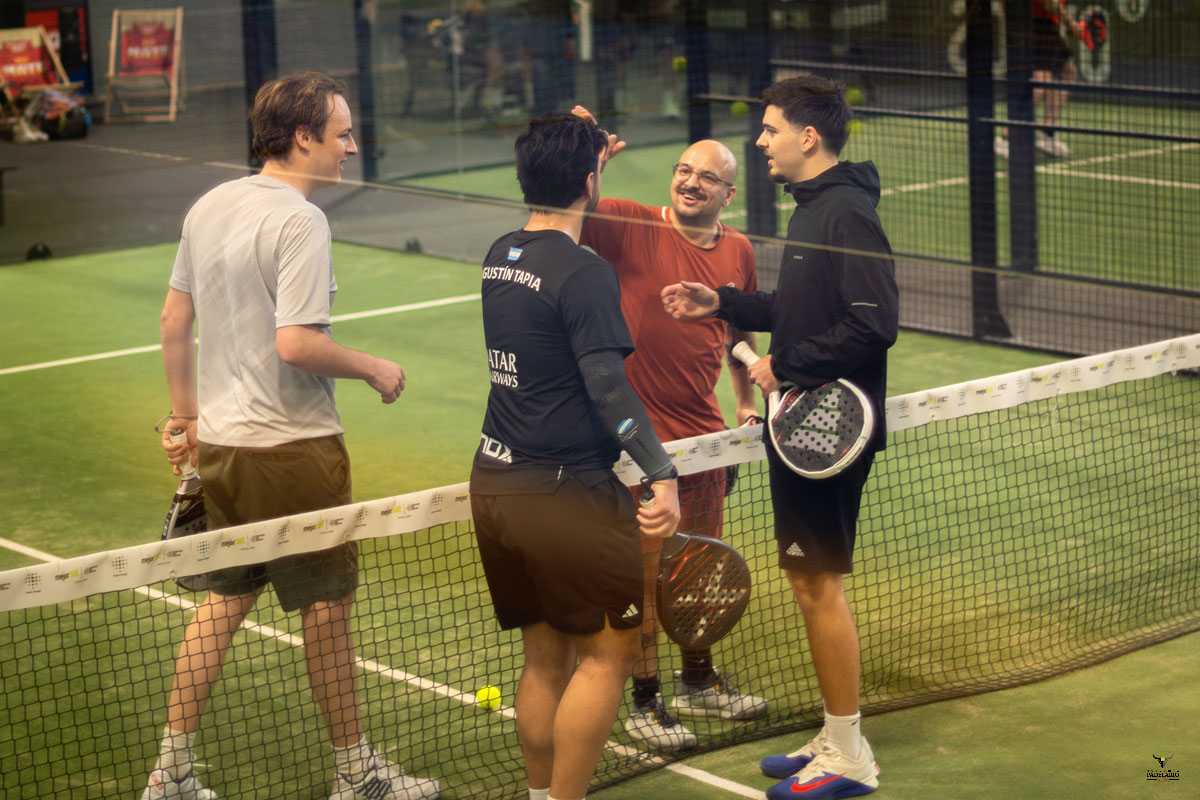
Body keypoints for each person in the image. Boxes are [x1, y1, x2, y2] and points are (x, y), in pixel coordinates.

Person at [149, 71, 439, 800]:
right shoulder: (301, 221)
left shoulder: (210, 203)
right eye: (340, 133)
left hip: (222, 450)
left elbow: (172, 322)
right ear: (303, 137)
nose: (350, 146)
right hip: (295, 452)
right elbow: (297, 344)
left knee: (222, 602)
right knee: (328, 610)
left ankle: (171, 772)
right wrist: (373, 367)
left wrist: (185, 418)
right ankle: (356, 776)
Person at [662, 73, 898, 799]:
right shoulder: (815, 210)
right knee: (808, 582)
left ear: (808, 136)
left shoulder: (847, 214)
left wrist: (783, 365)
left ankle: (851, 757)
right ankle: (838, 733)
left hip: (827, 435)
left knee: (817, 586)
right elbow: (799, 306)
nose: (759, 141)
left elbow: (873, 323)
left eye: (769, 130)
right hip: (802, 429)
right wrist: (723, 301)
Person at [470, 112, 681, 800]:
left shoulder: (501, 254)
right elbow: (607, 388)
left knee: (545, 653)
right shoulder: (586, 273)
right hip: (566, 495)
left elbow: (559, 226)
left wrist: (586, 169)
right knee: (608, 654)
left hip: (497, 483)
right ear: (590, 182)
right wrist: (660, 471)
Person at [572, 106, 768, 752]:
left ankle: (698, 678)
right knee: (646, 573)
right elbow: (569, 220)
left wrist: (743, 402)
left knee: (696, 565)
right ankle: (646, 701)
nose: (689, 182)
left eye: (705, 178)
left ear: (728, 194)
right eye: (683, 171)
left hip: (704, 436)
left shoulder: (738, 249)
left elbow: (738, 328)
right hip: (640, 441)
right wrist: (589, 162)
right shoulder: (628, 221)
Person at [995, 0, 1080, 159]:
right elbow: (1050, 3)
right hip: (1034, 24)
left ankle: (1047, 133)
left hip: (1041, 24)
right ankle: (1007, 138)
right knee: (1040, 82)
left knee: (1067, 72)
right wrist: (1070, 24)